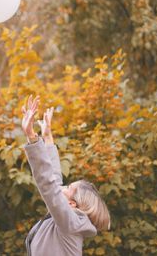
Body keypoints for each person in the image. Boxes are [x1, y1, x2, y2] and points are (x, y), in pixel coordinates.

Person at [21, 95, 111, 256]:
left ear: (72, 204)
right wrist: (47, 137)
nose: (61, 187)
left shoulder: (69, 223)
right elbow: (53, 179)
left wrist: (32, 137)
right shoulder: (68, 221)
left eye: (68, 188)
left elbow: (49, 185)